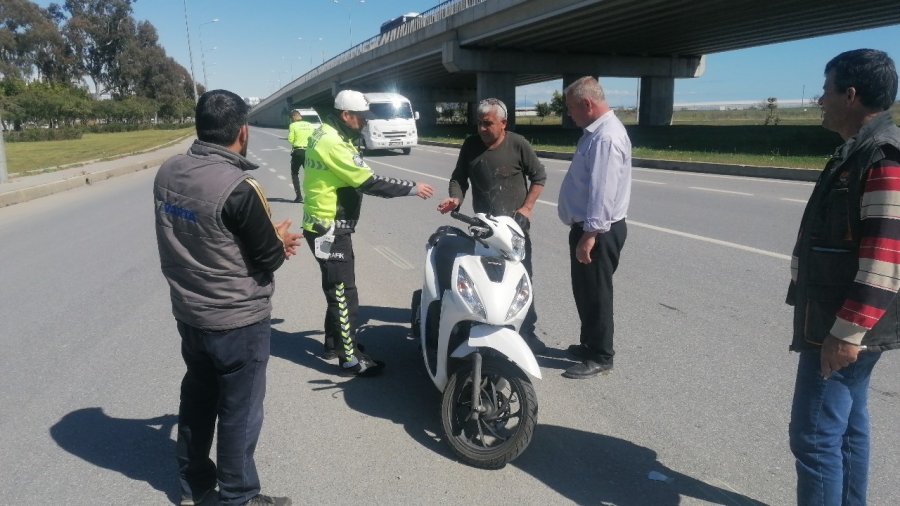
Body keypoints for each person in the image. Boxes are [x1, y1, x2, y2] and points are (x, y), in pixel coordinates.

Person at [154, 89, 302, 506]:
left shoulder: (168, 172)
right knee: (239, 412)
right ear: (243, 131)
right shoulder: (240, 187)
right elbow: (268, 258)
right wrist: (278, 240)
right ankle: (238, 497)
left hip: (190, 313)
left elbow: (201, 236)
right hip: (237, 320)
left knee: (198, 396)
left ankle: (194, 484)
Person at [787, 49, 900, 506]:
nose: (820, 99)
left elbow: (887, 254)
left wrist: (847, 332)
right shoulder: (859, 152)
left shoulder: (881, 157)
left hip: (840, 327)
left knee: (814, 439)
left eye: (827, 89)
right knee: (848, 426)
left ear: (850, 96)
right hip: (841, 321)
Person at [303, 89, 435, 376]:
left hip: (321, 224)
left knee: (335, 288)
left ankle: (332, 343)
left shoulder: (325, 132)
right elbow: (370, 181)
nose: (364, 123)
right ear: (345, 115)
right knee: (344, 293)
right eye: (361, 118)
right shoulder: (333, 143)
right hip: (329, 228)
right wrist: (412, 188)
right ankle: (350, 359)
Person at [436, 97, 548, 353]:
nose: (482, 129)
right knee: (483, 280)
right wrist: (456, 198)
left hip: (513, 232)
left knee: (521, 282)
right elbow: (459, 177)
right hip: (484, 230)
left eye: (488, 124)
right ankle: (480, 326)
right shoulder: (471, 145)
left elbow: (539, 177)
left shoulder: (518, 145)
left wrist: (527, 208)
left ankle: (526, 331)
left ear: (503, 123)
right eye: (479, 124)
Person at [557, 76, 632, 380]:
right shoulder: (595, 132)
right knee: (585, 290)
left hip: (598, 230)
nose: (569, 115)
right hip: (589, 227)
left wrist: (590, 234)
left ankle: (601, 355)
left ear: (587, 104)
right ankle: (589, 344)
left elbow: (604, 191)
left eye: (572, 109)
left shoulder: (606, 137)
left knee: (597, 292)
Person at [287, 109, 316, 203]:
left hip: (298, 152)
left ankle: (299, 196)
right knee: (309, 174)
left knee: (294, 173)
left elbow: (291, 140)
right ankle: (312, 196)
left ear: (293, 117)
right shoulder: (310, 125)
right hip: (309, 151)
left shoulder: (293, 125)